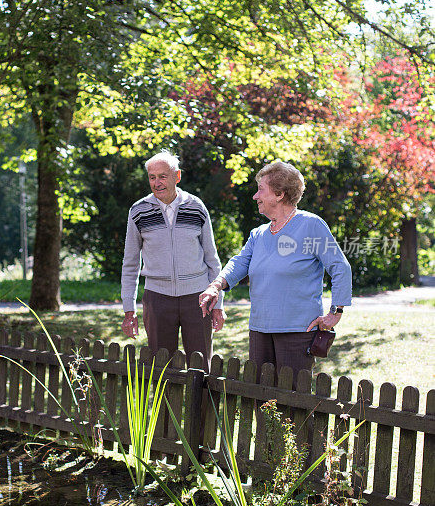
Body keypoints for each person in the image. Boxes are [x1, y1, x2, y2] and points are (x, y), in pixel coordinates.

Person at [199, 160, 351, 380]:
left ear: (279, 194)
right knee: (262, 399)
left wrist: (335, 312)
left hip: (298, 331)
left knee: (292, 402)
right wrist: (215, 286)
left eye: (261, 189)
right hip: (260, 329)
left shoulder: (311, 225)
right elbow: (240, 262)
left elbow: (340, 267)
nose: (255, 196)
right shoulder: (258, 234)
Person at [121, 151, 225, 369]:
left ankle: (200, 405)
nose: (156, 183)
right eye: (152, 177)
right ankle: (166, 405)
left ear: (177, 176)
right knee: (162, 369)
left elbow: (212, 258)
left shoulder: (196, 207)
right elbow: (130, 263)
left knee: (201, 367)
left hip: (199, 299)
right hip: (157, 299)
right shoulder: (138, 211)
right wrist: (128, 309)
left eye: (162, 176)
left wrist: (219, 305)